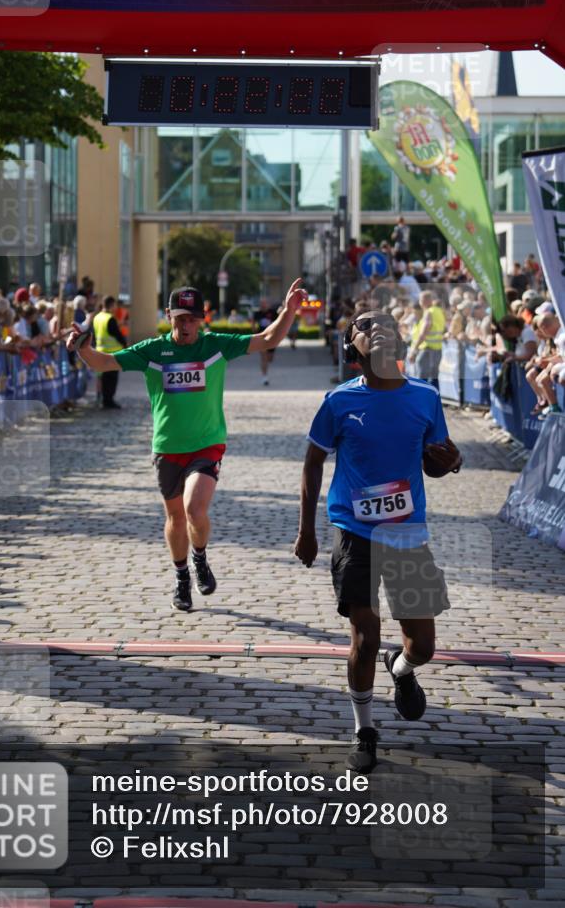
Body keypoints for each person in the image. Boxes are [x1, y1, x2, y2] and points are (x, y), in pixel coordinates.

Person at [68, 279, 307, 612]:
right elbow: (104, 362)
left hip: (207, 443)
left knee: (195, 509)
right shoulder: (152, 351)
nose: (186, 324)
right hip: (167, 447)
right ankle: (182, 577)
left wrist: (289, 310)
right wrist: (81, 347)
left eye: (192, 318)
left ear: (202, 318)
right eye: (180, 317)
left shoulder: (215, 346)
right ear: (169, 316)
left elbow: (269, 338)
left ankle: (200, 557)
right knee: (175, 519)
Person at [294, 309, 462, 772]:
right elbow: (312, 463)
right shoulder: (338, 402)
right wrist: (307, 530)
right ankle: (364, 730)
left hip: (408, 534)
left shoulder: (425, 399)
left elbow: (434, 461)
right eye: (365, 325)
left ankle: (402, 670)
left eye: (386, 322)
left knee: (422, 645)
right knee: (365, 636)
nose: (378, 327)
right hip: (355, 531)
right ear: (353, 349)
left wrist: (449, 462)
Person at [407, 290, 447, 387]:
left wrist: (414, 350)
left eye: (420, 300)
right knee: (434, 378)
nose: (420, 302)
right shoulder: (439, 311)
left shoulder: (429, 312)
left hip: (427, 350)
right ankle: (433, 400)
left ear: (425, 300)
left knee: (421, 378)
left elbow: (423, 333)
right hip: (438, 349)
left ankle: (421, 400)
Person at [92, 295, 126, 409]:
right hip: (112, 353)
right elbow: (117, 334)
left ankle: (102, 398)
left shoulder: (97, 317)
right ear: (111, 305)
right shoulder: (109, 318)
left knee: (103, 378)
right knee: (111, 379)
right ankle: (108, 400)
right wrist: (125, 345)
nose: (115, 307)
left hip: (100, 351)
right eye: (114, 305)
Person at [254, 298, 277, 385]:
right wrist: (254, 333)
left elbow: (278, 323)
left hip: (272, 337)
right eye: (261, 303)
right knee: (263, 357)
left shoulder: (273, 313)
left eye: (264, 303)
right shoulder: (257, 313)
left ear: (268, 304)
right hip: (261, 337)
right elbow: (253, 323)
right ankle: (265, 377)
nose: (263, 305)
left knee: (270, 358)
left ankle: (266, 365)